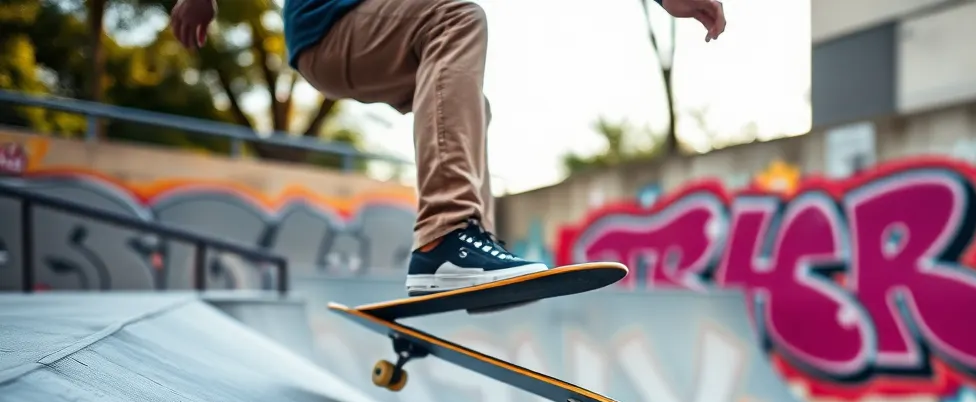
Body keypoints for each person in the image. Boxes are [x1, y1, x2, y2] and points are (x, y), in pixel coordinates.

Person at [169, 0, 727, 295]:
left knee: (470, 107)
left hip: (366, 37)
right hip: (332, 25)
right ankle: (446, 241)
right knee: (456, 18)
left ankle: (471, 251)